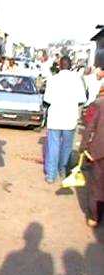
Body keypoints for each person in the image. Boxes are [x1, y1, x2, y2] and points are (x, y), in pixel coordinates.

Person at [43, 56, 87, 184]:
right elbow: (82, 100)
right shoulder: (77, 80)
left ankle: (51, 175)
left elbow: (47, 100)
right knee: (67, 147)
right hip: (70, 119)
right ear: (71, 65)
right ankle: (62, 170)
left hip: (55, 118)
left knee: (53, 147)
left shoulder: (53, 79)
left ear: (60, 66)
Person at [80, 70, 104, 227]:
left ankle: (94, 217)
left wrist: (84, 145)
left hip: (99, 151)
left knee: (96, 184)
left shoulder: (100, 104)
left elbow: (90, 126)